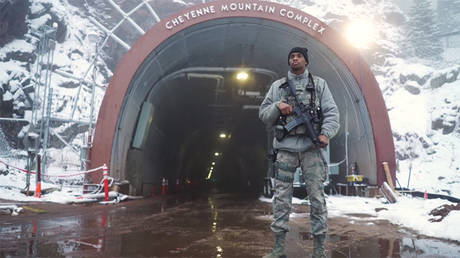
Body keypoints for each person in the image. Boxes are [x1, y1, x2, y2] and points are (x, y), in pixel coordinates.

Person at [259, 47, 340, 258]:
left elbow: (332, 112)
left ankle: (319, 249)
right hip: (285, 149)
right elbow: (264, 114)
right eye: (291, 57)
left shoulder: (320, 85)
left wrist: (325, 134)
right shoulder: (278, 87)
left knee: (316, 197)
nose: (294, 59)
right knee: (281, 198)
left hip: (311, 149)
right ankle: (278, 249)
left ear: (306, 61)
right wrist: (278, 106)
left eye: (299, 56)